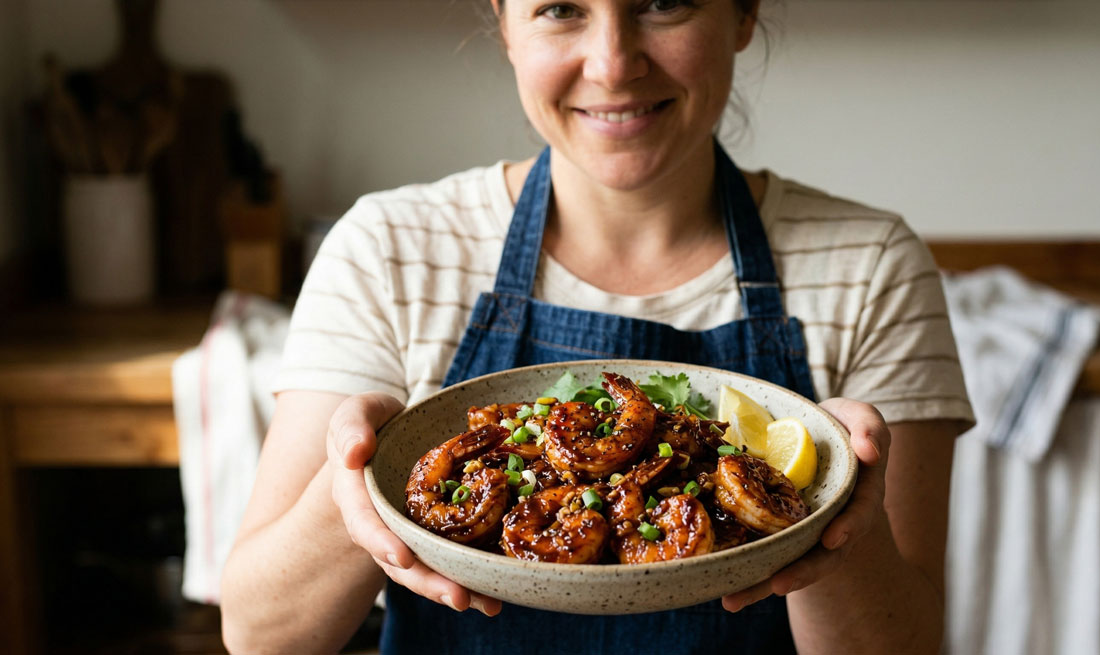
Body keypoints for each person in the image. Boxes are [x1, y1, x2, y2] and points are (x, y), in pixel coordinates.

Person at [220, 0, 975, 652]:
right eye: (559, 7)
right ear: (505, 23)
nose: (613, 64)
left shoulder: (874, 264)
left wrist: (843, 516)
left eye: (664, 2)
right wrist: (355, 476)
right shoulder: (389, 250)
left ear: (743, 13)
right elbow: (260, 637)